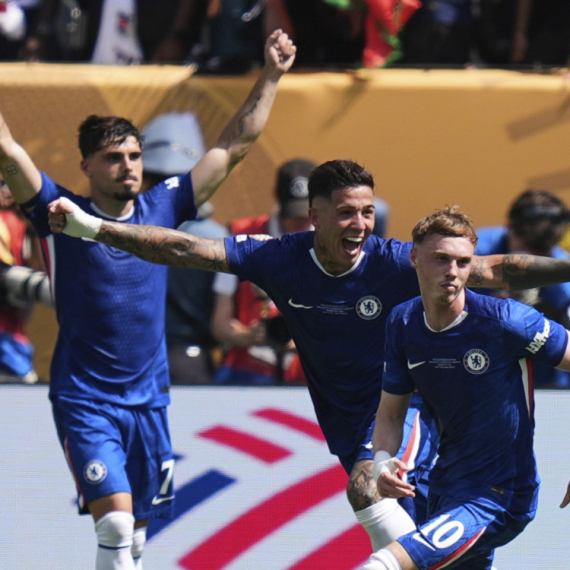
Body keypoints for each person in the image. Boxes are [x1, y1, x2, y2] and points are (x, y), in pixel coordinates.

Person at [47, 159, 570, 555]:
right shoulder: (279, 258)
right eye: (346, 212)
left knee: (367, 490)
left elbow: (497, 269)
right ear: (313, 217)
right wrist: (93, 229)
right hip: (344, 422)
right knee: (428, 535)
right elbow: (185, 249)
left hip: (407, 410)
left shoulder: (394, 262)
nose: (360, 224)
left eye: (367, 212)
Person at [0, 29, 295, 570]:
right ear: (86, 166)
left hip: (150, 401)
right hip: (85, 399)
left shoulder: (162, 206)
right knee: (114, 524)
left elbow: (232, 147)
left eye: (134, 155)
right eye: (113, 157)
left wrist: (271, 75)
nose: (129, 165)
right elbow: (7, 150)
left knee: (135, 537)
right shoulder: (57, 211)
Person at [362, 206, 570, 570]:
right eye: (441, 259)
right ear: (415, 257)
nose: (453, 271)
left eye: (462, 262)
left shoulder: (506, 321)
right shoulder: (403, 322)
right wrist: (381, 462)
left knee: (385, 564)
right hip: (445, 487)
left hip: (500, 493)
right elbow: (391, 412)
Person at [140, 111, 229, 385]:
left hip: (139, 359)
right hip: (189, 361)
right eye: (157, 179)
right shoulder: (218, 238)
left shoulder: (124, 232)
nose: (165, 189)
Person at [211, 158, 314, 385]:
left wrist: (309, 337)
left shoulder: (332, 243)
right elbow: (220, 323)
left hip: (308, 372)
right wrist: (250, 336)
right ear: (277, 199)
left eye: (306, 214)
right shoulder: (241, 237)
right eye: (293, 214)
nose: (300, 222)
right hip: (248, 369)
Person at [475, 189, 570, 388]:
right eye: (527, 252)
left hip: (547, 387)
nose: (536, 263)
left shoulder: (564, 285)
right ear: (509, 228)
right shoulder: (469, 257)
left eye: (544, 253)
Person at [0, 173, 46, 382]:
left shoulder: (16, 223)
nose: (7, 191)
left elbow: (39, 273)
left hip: (13, 335)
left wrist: (34, 228)